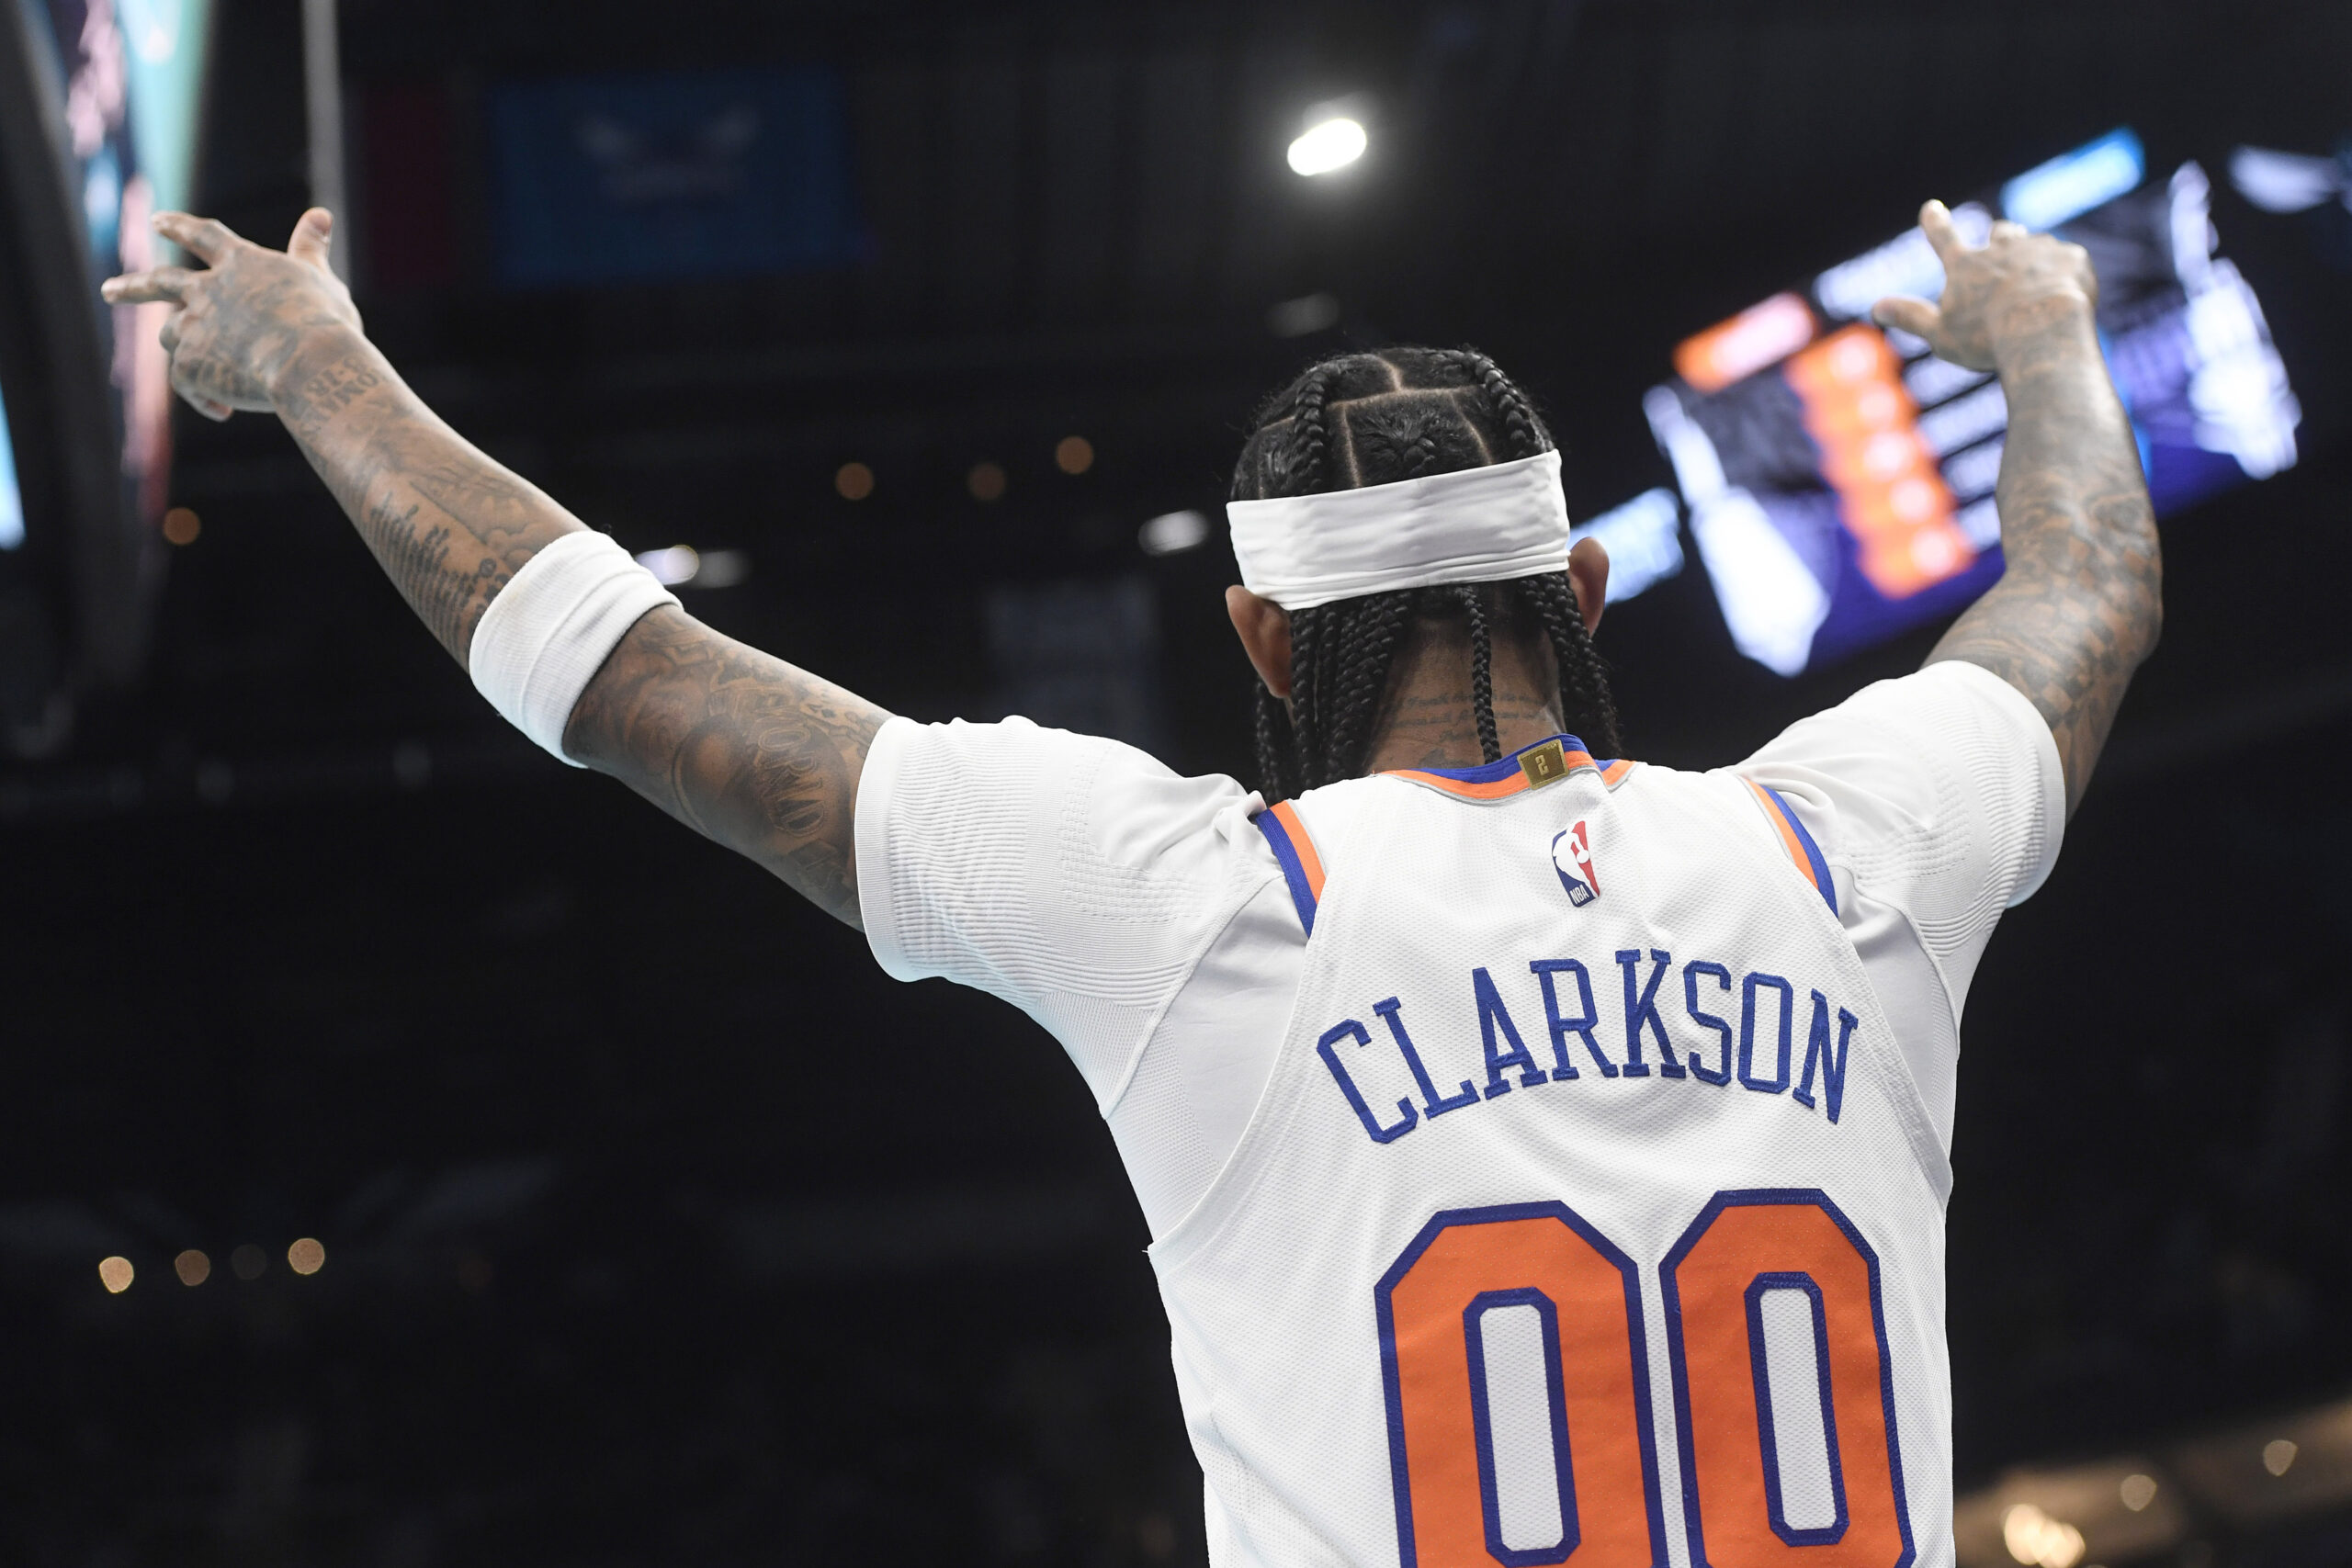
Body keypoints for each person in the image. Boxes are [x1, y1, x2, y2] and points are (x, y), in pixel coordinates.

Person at [107, 197, 2157, 1567]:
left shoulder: (1206, 905)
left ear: (1265, 644)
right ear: (1584, 588)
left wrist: (311, 366)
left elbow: (625, 674)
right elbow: (2080, 591)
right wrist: (2045, 332)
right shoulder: (1849, 841)